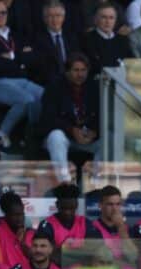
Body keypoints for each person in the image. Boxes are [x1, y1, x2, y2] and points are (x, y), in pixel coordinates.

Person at [0, 0, 43, 152]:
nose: (0, 15)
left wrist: (12, 56)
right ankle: (1, 134)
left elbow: (33, 59)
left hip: (22, 81)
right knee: (27, 99)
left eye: (3, 12)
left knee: (46, 96)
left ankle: (31, 135)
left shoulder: (17, 36)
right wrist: (21, 59)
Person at [39, 52, 99, 184]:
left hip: (88, 136)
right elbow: (48, 118)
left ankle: (96, 184)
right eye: (76, 70)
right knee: (56, 136)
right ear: (67, 71)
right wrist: (71, 130)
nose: (80, 74)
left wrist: (95, 132)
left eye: (83, 70)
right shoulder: (54, 87)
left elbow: (101, 116)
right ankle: (64, 184)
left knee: (109, 140)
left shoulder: (94, 87)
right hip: (65, 135)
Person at [85, 185, 139, 269]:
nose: (115, 209)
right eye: (110, 204)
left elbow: (133, 256)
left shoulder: (127, 229)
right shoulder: (91, 228)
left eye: (118, 204)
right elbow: (97, 259)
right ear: (100, 205)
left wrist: (121, 227)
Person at [30, 0, 80, 87]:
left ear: (63, 18)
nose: (54, 20)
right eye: (50, 16)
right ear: (45, 19)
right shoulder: (36, 39)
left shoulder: (72, 37)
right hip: (49, 83)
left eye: (58, 16)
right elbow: (41, 67)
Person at [82, 2, 134, 75]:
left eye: (111, 18)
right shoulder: (87, 40)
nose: (108, 21)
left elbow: (132, 64)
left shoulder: (123, 40)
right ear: (95, 19)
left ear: (115, 21)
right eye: (104, 17)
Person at [32, 183, 90, 249]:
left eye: (71, 208)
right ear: (57, 205)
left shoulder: (84, 223)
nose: (67, 212)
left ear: (76, 205)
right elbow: (46, 251)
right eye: (63, 208)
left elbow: (93, 247)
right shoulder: (47, 225)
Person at [0, 191, 27, 269]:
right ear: (6, 214)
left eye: (22, 214)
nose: (20, 218)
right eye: (15, 215)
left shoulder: (29, 233)